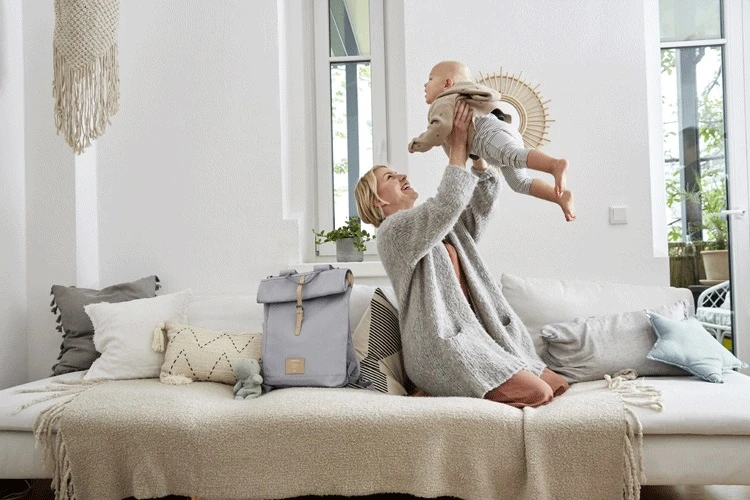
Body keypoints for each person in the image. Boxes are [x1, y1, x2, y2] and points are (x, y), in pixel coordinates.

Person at [354, 101, 569, 408]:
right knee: (538, 393)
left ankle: (446, 392)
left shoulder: (433, 226)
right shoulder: (392, 233)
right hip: (442, 348)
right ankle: (437, 388)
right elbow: (447, 203)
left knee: (558, 386)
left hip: (478, 336)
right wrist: (457, 146)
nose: (400, 175)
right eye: (389, 177)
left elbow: (478, 209)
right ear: (377, 201)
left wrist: (477, 158)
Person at [409, 60, 575, 222]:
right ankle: (559, 196)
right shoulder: (463, 99)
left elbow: (439, 128)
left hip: (486, 133)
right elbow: (468, 144)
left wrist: (419, 143)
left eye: (430, 79)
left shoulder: (443, 101)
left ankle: (554, 165)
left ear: (447, 84)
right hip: (496, 133)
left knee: (511, 155)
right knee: (519, 183)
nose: (425, 85)